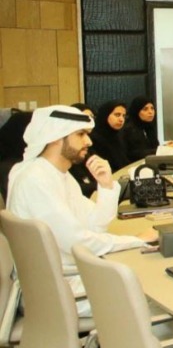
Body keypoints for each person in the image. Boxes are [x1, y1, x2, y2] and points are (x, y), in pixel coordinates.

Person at [6, 105, 153, 316]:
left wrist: (106, 186)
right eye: (81, 134)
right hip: (58, 289)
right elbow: (78, 242)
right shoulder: (35, 179)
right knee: (152, 293)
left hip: (67, 277)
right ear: (56, 137)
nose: (89, 142)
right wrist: (136, 240)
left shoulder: (60, 175)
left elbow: (95, 227)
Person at [125, 96, 173, 161]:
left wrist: (166, 147)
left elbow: (151, 149)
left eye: (152, 108)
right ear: (136, 111)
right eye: (145, 109)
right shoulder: (129, 129)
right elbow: (135, 154)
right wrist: (164, 149)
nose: (150, 112)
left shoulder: (149, 128)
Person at [89, 100, 132, 171]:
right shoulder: (94, 138)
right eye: (117, 115)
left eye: (124, 116)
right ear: (105, 115)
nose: (121, 119)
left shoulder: (119, 135)